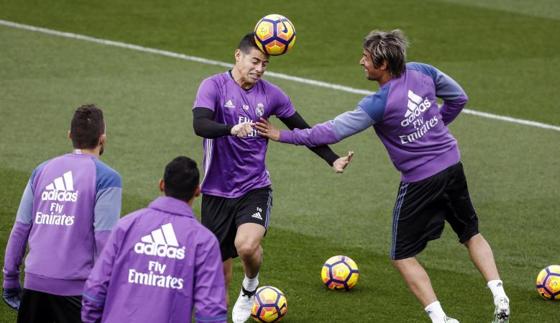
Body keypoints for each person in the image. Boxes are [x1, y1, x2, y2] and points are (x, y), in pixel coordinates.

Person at [255, 29, 510, 323]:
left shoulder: (379, 103)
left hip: (420, 181)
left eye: (366, 58)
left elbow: (331, 130)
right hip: (453, 166)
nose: (361, 62)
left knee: (401, 255)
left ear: (383, 65)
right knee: (471, 234)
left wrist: (281, 134)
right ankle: (499, 294)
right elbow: (458, 98)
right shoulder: (423, 72)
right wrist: (436, 126)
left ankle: (442, 319)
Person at [192, 32, 353, 322]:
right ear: (237, 56)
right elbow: (200, 124)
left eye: (265, 64)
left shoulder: (272, 95)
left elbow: (304, 130)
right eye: (255, 61)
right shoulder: (213, 86)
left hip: (254, 188)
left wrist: (332, 159)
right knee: (220, 275)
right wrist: (230, 129)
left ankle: (251, 286)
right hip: (215, 192)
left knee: (247, 245)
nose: (260, 68)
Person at [2, 104, 122, 323]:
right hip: (75, 293)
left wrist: (10, 276)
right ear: (103, 138)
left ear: (70, 136)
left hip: (34, 285)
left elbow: (21, 227)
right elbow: (104, 238)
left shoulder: (41, 170)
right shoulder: (107, 178)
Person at [82, 156, 226, 323]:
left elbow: (95, 288)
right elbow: (210, 313)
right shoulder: (204, 241)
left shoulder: (126, 225)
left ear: (161, 184)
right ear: (197, 191)